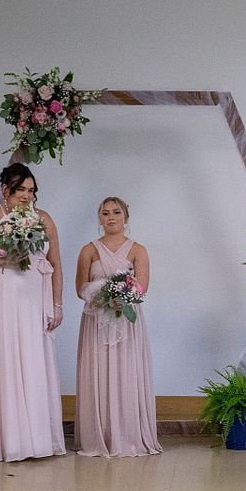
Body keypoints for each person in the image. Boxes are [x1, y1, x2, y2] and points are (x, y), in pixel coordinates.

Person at [0, 164, 65, 462]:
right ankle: (2, 439)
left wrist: (57, 305)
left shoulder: (43, 218)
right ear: (6, 189)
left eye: (31, 190)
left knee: (32, 360)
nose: (27, 196)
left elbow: (56, 264)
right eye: (21, 189)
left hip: (33, 296)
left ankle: (35, 439)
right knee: (1, 358)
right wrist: (2, 257)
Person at [73, 196, 161, 458]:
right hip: (96, 321)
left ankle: (129, 435)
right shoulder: (88, 250)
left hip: (127, 321)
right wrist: (103, 296)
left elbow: (142, 286)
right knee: (97, 372)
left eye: (116, 212)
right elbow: (80, 288)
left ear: (125, 217)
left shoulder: (138, 250)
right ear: (99, 218)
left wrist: (123, 298)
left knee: (126, 371)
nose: (111, 217)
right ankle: (100, 435)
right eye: (105, 213)